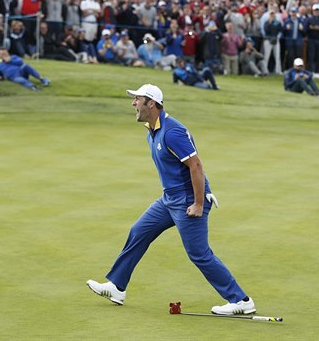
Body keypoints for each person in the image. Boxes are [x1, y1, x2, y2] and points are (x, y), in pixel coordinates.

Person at [87, 84, 256, 316]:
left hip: (188, 201)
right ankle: (117, 287)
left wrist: (198, 203)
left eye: (138, 99)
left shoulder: (172, 132)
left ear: (152, 104)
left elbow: (196, 165)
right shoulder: (152, 130)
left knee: (199, 254)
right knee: (139, 231)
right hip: (169, 200)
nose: (133, 103)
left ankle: (241, 300)